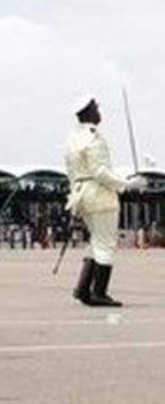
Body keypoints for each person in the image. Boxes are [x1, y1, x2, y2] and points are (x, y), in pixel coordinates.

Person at [65, 97, 144, 307]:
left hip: (82, 194)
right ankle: (99, 292)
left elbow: (72, 171)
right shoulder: (94, 138)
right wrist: (127, 184)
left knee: (96, 242)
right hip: (100, 196)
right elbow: (100, 172)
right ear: (88, 113)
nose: (99, 112)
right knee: (106, 244)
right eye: (96, 108)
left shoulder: (73, 138)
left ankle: (83, 289)